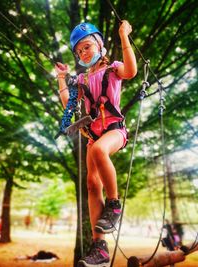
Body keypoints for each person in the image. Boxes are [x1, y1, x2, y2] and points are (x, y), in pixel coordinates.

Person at [55, 20, 137, 267]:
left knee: (101, 150)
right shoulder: (80, 80)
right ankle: (99, 247)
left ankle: (113, 205)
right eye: (79, 51)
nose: (84, 53)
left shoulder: (113, 68)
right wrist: (61, 78)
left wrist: (124, 37)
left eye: (87, 46)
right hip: (92, 136)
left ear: (100, 45)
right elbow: (68, 102)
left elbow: (131, 71)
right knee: (91, 184)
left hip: (114, 132)